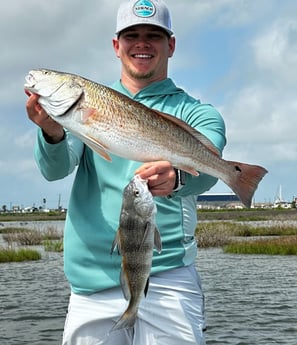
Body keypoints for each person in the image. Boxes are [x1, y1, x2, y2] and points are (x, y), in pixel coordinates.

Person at [25, 1, 226, 344]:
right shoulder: (86, 105)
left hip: (169, 276)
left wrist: (177, 179)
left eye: (154, 36)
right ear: (116, 45)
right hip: (92, 277)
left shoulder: (198, 113)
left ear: (171, 45)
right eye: (131, 35)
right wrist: (52, 131)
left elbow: (209, 171)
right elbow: (55, 168)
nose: (142, 43)